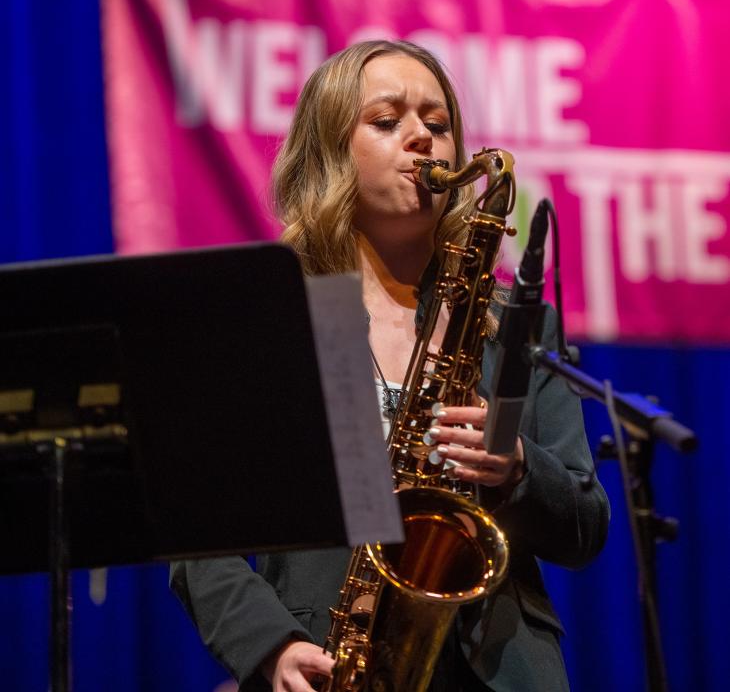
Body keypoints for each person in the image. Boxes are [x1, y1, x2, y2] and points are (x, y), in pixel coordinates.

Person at [170, 40, 610, 692]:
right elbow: (198, 536)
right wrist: (273, 646)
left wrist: (517, 467)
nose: (423, 139)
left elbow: (586, 525)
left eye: (438, 124)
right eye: (386, 121)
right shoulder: (268, 322)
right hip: (331, 662)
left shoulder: (518, 327)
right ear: (330, 151)